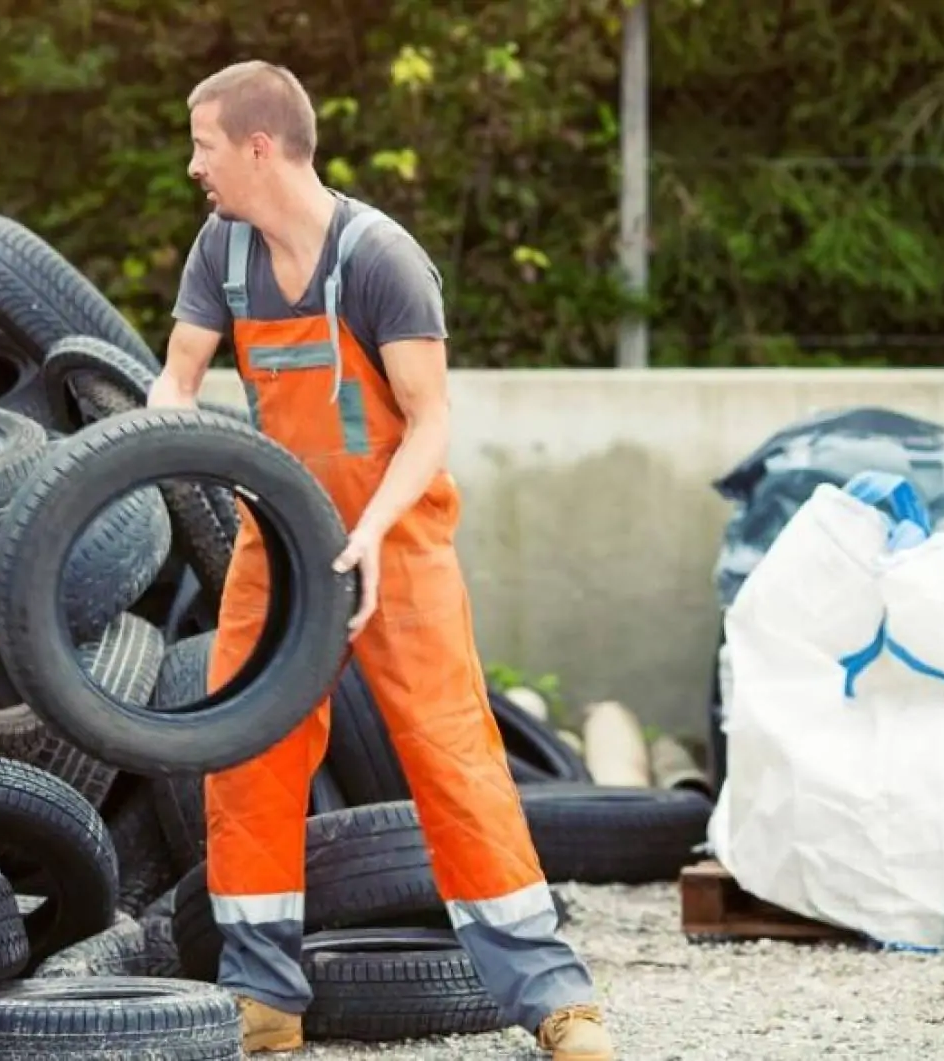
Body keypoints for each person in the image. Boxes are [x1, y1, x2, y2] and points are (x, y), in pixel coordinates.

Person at [145, 60, 617, 1061]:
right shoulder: (220, 253)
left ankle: (553, 998)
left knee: (451, 756)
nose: (194, 166)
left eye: (203, 144)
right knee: (246, 753)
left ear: (259, 146)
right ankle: (264, 998)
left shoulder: (378, 258)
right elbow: (176, 382)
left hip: (393, 543)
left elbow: (431, 420)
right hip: (278, 549)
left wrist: (365, 533)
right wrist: (150, 450)